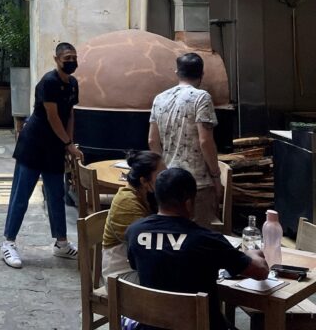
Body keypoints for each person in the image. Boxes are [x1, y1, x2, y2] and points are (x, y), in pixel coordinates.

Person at [126, 167, 268, 330]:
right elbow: (260, 271)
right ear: (188, 202)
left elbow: (138, 265)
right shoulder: (206, 240)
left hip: (152, 326)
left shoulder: (135, 232)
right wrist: (251, 253)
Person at [1, 41, 83, 269]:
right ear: (56, 60)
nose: (71, 62)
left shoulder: (73, 84)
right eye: (66, 58)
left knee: (56, 195)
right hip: (34, 145)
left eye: (74, 57)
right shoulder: (48, 82)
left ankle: (61, 243)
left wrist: (69, 142)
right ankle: (8, 243)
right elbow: (52, 116)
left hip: (55, 147)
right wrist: (68, 144)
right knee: (21, 195)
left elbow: (69, 115)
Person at [148, 51, 222, 228]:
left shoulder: (160, 98)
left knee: (171, 235)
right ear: (201, 74)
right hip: (196, 183)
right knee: (197, 237)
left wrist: (161, 172)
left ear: (177, 73)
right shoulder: (202, 97)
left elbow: (152, 140)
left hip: (167, 181)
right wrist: (216, 175)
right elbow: (205, 141)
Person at [102, 150, 165, 277]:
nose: (165, 179)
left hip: (139, 264)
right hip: (121, 272)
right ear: (143, 181)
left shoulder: (146, 196)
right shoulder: (127, 202)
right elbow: (146, 248)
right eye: (161, 176)